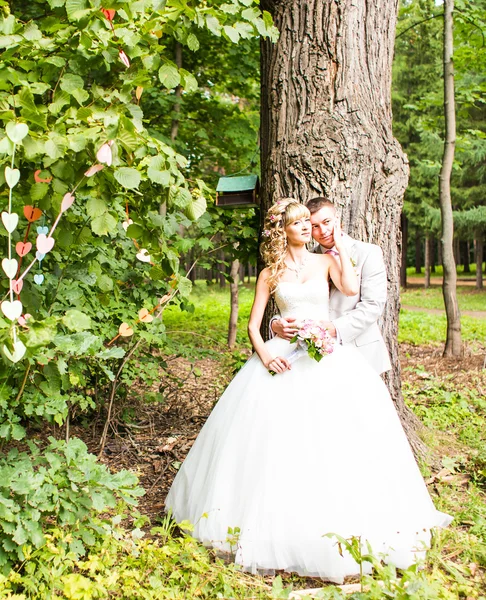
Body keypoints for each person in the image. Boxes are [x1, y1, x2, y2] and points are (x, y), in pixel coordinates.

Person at [165, 199, 451, 583]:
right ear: (281, 230)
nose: (305, 228)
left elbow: (351, 289)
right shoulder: (270, 272)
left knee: (335, 439)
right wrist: (267, 352)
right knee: (275, 442)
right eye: (297, 222)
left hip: (330, 358)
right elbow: (256, 325)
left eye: (308, 222)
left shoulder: (327, 261)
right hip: (284, 357)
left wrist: (339, 252)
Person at [271, 197, 391, 375]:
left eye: (327, 222)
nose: (323, 231)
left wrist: (333, 328)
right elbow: (296, 303)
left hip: (359, 348)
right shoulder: (310, 259)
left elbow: (372, 306)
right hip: (315, 356)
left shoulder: (368, 253)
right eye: (315, 226)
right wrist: (275, 324)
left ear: (337, 219)